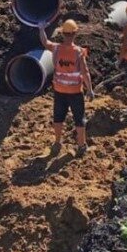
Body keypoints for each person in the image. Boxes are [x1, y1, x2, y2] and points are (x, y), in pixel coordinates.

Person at [39, 19, 94, 156]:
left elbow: (45, 42)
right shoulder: (79, 52)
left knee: (58, 117)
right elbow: (85, 72)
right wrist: (90, 90)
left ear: (62, 33)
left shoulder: (56, 48)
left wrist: (41, 29)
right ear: (75, 34)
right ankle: (81, 146)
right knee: (79, 119)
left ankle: (57, 143)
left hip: (59, 91)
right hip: (75, 92)